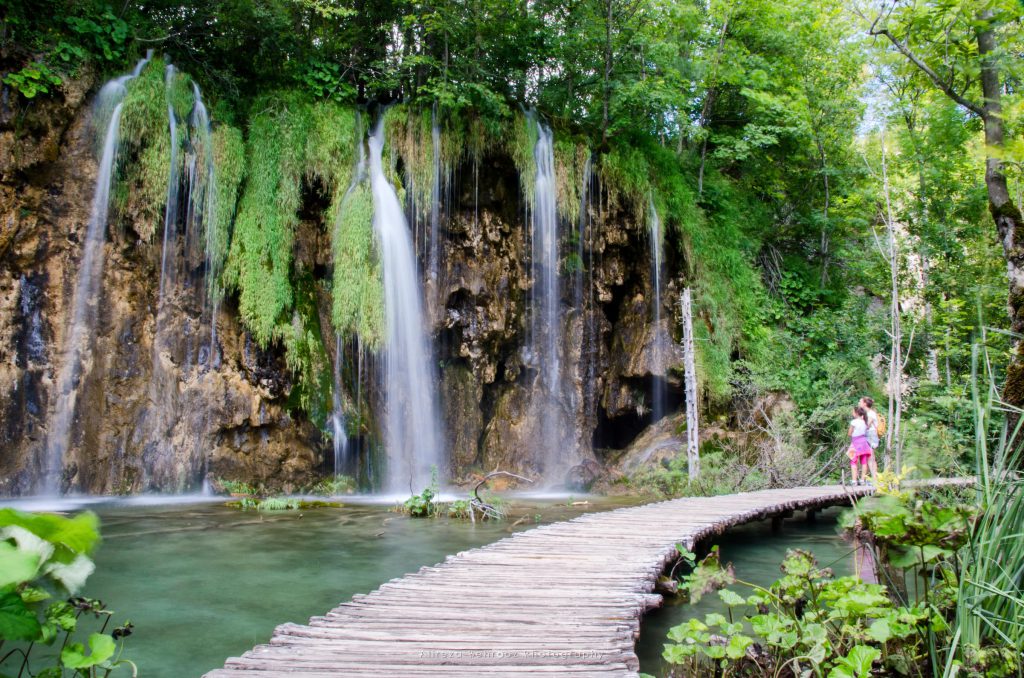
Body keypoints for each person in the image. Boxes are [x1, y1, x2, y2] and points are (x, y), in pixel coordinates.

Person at [847, 406, 876, 486]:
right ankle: (862, 480)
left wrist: (853, 433)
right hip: (864, 443)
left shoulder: (853, 422)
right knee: (864, 462)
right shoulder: (864, 422)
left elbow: (849, 433)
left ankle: (854, 481)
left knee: (853, 461)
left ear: (856, 413)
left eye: (853, 412)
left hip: (855, 443)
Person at [859, 396, 882, 481]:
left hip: (871, 435)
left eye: (860, 402)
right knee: (866, 457)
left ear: (865, 403)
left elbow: (867, 425)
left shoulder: (871, 413)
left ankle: (874, 479)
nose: (859, 403)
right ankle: (866, 478)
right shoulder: (864, 413)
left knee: (871, 457)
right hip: (865, 435)